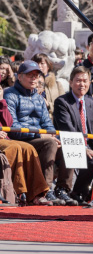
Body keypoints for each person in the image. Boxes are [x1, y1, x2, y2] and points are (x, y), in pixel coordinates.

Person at [3, 61, 75, 206]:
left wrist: (53, 135)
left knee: (69, 142)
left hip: (40, 138)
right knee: (49, 143)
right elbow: (13, 126)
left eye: (36, 75)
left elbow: (47, 124)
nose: (34, 78)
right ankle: (45, 190)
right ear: (19, 76)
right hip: (21, 139)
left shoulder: (39, 98)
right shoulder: (10, 94)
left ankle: (63, 189)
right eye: (30, 75)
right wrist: (41, 135)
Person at [53, 66, 93, 205]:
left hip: (89, 146)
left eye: (85, 81)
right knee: (84, 156)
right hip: (67, 143)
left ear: (90, 82)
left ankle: (79, 193)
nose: (82, 84)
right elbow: (68, 128)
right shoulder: (62, 102)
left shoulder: (91, 103)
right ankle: (66, 190)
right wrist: (83, 148)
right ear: (70, 82)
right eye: (78, 81)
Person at [0, 85, 51, 206]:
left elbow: (9, 123)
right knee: (15, 148)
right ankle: (17, 193)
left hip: (4, 137)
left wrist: (1, 100)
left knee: (28, 148)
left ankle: (36, 194)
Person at [32, 53, 65, 120]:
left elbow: (64, 105)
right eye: (36, 63)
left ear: (48, 65)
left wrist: (49, 105)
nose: (39, 66)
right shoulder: (29, 83)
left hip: (53, 120)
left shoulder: (57, 85)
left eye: (42, 63)